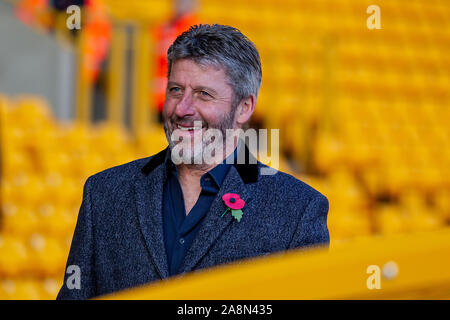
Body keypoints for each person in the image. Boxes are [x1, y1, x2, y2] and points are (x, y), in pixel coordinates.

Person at [57, 24, 329, 300]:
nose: (182, 109)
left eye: (203, 94)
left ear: (244, 107)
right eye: (175, 90)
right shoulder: (104, 193)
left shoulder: (297, 211)